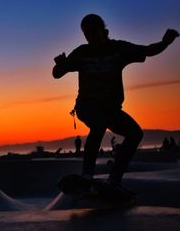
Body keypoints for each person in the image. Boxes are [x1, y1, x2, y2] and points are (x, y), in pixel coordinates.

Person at [52, 14, 179, 189]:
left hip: (110, 109)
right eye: (86, 33)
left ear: (102, 30)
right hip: (87, 106)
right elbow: (57, 74)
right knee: (98, 125)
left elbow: (147, 50)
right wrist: (60, 65)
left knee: (135, 134)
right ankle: (87, 175)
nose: (90, 36)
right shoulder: (82, 52)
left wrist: (165, 42)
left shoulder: (118, 49)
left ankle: (114, 180)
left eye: (93, 31)